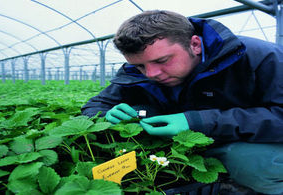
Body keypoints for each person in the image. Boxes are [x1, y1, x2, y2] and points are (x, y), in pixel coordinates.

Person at [81, 10, 283, 194]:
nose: (151, 74)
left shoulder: (262, 58)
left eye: (162, 61)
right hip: (191, 151)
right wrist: (104, 115)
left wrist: (198, 121)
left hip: (249, 144)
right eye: (141, 65)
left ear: (195, 44)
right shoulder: (138, 71)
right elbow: (95, 105)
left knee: (251, 162)